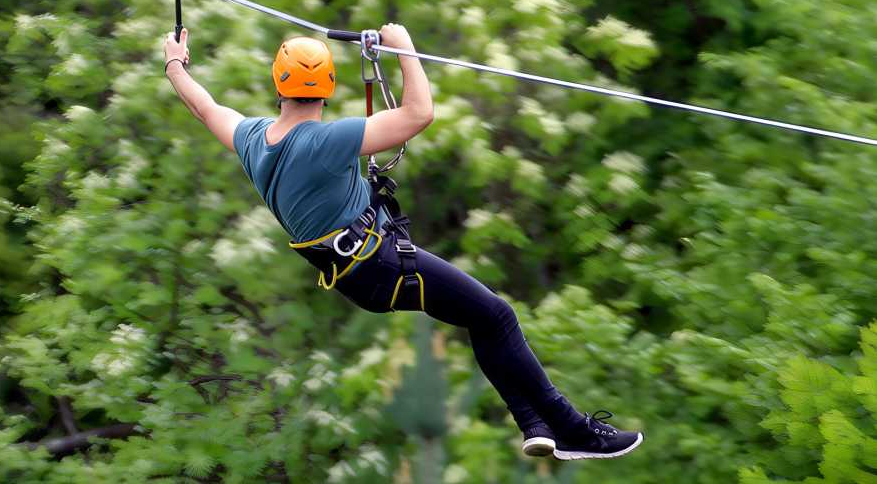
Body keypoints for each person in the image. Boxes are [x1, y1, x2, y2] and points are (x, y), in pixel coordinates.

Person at [163, 24, 644, 461]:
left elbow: (205, 107)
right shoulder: (327, 141)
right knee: (497, 315)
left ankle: (535, 423)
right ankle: (575, 430)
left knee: (482, 319)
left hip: (361, 276)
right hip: (382, 265)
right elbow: (419, 114)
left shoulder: (252, 140)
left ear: (277, 83)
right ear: (327, 87)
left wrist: (174, 64)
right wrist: (404, 49)